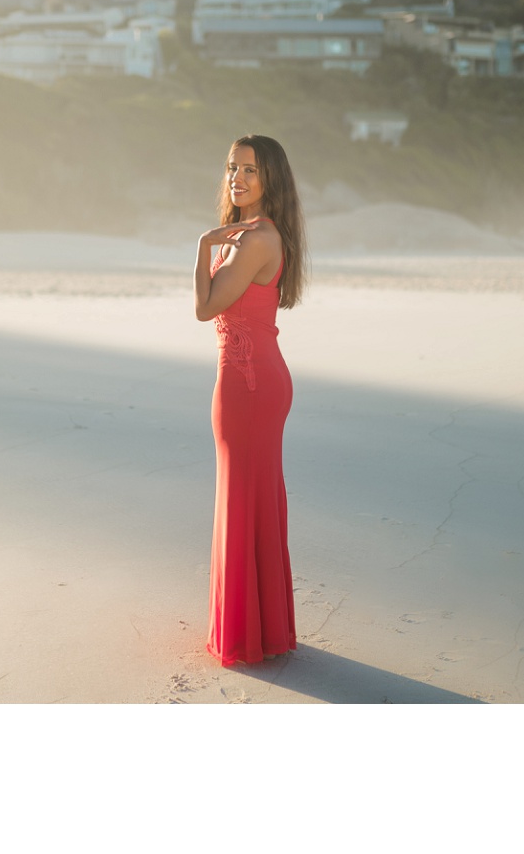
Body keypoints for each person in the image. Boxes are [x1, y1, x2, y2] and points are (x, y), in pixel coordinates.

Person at [193, 134, 306, 666]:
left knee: (245, 501)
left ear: (269, 182)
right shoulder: (250, 235)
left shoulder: (256, 238)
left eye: (250, 171)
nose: (236, 178)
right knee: (248, 500)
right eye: (232, 168)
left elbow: (205, 307)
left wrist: (202, 247)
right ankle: (262, 630)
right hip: (250, 379)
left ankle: (249, 635)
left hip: (250, 384)